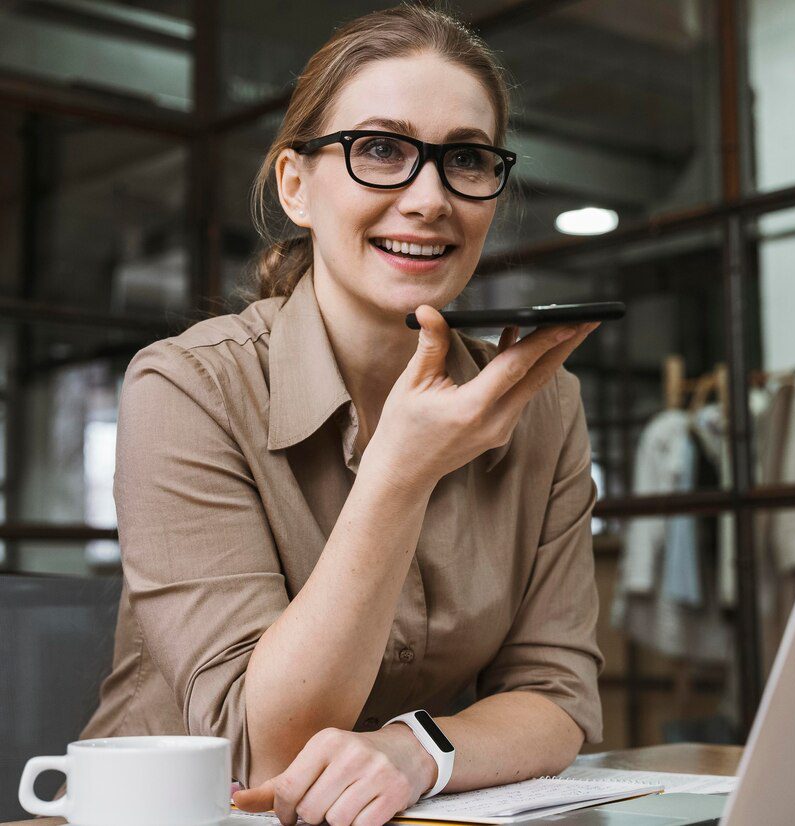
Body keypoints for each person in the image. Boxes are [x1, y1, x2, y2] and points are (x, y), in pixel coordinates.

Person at [77, 5, 605, 825]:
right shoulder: (187, 388)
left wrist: (415, 750)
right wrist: (402, 469)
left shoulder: (543, 403)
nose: (430, 199)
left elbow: (556, 698)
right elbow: (269, 750)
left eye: (465, 159)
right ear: (297, 185)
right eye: (382, 150)